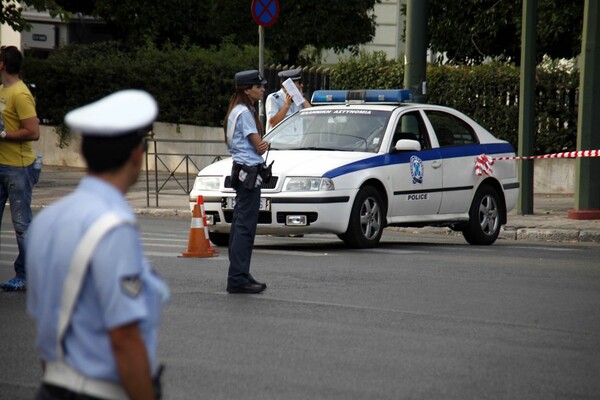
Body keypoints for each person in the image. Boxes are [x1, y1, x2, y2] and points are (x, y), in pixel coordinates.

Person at [26, 90, 169, 400]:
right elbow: (125, 337)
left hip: (52, 386)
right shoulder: (113, 225)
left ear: (82, 151)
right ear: (137, 154)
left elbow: (47, 322)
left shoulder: (49, 219)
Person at [224, 70, 270, 294]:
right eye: (258, 86)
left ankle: (240, 273)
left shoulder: (237, 110)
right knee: (245, 227)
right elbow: (258, 145)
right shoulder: (244, 113)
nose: (262, 89)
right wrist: (266, 144)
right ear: (246, 89)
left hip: (242, 171)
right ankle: (238, 278)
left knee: (239, 225)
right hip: (249, 172)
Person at [0, 45, 40, 292]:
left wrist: (4, 135)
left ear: (3, 65)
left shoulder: (21, 94)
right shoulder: (2, 91)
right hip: (1, 165)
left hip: (18, 168)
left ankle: (26, 275)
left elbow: (33, 132)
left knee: (22, 225)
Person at [265, 68, 312, 132]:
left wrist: (301, 97)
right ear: (288, 85)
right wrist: (287, 105)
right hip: (279, 141)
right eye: (299, 83)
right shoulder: (274, 98)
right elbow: (273, 123)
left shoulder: (299, 100)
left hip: (297, 141)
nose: (301, 85)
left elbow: (312, 115)